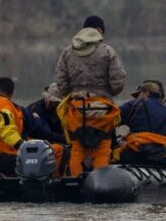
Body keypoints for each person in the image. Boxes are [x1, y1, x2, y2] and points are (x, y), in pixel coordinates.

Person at [53, 16, 125, 176]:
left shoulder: (67, 52)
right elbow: (117, 83)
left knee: (77, 147)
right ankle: (100, 182)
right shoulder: (107, 51)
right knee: (102, 147)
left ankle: (75, 180)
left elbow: (61, 83)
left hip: (77, 109)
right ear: (99, 30)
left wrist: (73, 93)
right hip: (102, 109)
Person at [112, 81, 166, 165]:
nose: (136, 98)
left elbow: (110, 120)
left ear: (145, 93)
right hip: (161, 158)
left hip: (136, 155)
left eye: (137, 95)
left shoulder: (136, 104)